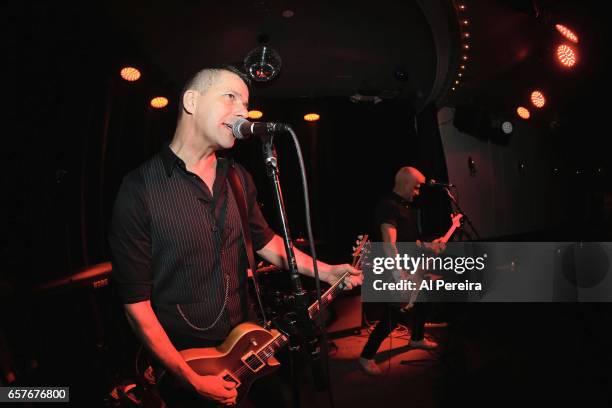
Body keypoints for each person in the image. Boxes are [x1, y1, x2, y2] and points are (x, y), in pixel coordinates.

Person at [108, 65, 362, 407]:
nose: (243, 111)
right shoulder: (139, 189)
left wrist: (327, 271)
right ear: (192, 102)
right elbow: (135, 305)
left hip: (248, 342)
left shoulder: (238, 177)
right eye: (231, 97)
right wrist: (190, 379)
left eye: (246, 103)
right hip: (188, 360)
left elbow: (268, 243)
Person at [358, 166, 443, 376]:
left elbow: (410, 241)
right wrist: (398, 277)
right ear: (405, 184)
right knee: (393, 316)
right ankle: (366, 356)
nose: (418, 192)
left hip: (409, 267)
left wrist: (429, 246)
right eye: (416, 188)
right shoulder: (388, 206)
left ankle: (416, 338)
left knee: (424, 298)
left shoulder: (405, 206)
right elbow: (389, 245)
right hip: (393, 270)